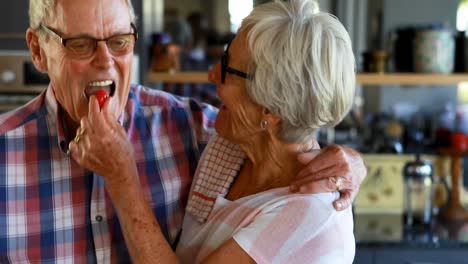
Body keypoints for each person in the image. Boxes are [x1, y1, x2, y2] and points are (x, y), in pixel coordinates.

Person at [0, 0, 365, 262]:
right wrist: (346, 162)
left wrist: (347, 163)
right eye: (80, 44)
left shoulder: (197, 133)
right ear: (38, 50)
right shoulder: (4, 153)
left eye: (119, 42)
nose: (105, 61)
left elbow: (289, 137)